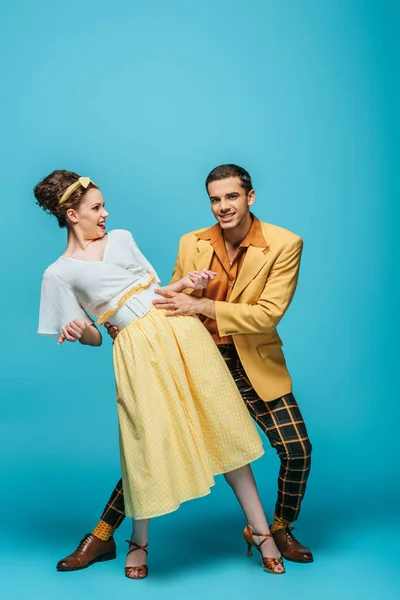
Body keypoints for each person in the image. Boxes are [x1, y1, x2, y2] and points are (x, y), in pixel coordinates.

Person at [57, 164, 313, 570]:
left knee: (296, 449)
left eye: (232, 196)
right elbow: (163, 298)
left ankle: (277, 527)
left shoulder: (285, 244)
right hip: (190, 353)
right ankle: (104, 535)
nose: (223, 206)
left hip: (251, 359)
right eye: (215, 198)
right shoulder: (191, 242)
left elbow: (267, 315)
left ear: (250, 196)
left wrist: (202, 304)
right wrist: (119, 323)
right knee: (152, 445)